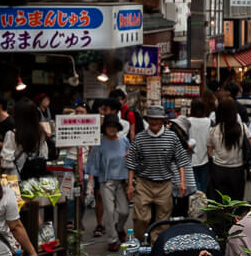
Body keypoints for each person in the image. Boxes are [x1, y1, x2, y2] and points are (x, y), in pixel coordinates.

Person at [128, 105, 191, 239]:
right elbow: (131, 162)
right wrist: (129, 185)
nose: (155, 122)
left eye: (158, 119)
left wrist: (182, 182)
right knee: (140, 218)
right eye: (152, 119)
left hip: (164, 184)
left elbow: (181, 160)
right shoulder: (140, 138)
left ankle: (156, 248)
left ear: (163, 120)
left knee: (162, 221)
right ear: (148, 120)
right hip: (144, 183)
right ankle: (140, 243)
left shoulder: (172, 137)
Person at [85, 116, 129, 238]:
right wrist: (92, 184)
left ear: (118, 127)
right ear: (104, 128)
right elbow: (93, 163)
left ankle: (119, 228)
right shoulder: (99, 142)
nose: (111, 128)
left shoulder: (124, 140)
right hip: (105, 181)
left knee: (125, 211)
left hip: (122, 181)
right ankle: (112, 240)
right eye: (109, 126)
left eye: (114, 126)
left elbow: (130, 159)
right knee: (109, 212)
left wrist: (130, 182)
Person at [206, 99, 250, 207]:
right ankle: (234, 222)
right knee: (236, 202)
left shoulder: (213, 130)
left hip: (218, 170)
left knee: (219, 202)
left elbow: (209, 153)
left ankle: (221, 222)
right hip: (237, 170)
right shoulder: (242, 128)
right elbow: (248, 145)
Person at [185, 99, 213, 200]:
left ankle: (194, 207)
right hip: (204, 158)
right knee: (203, 185)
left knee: (193, 186)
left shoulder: (187, 121)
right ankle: (202, 206)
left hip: (190, 159)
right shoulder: (209, 122)